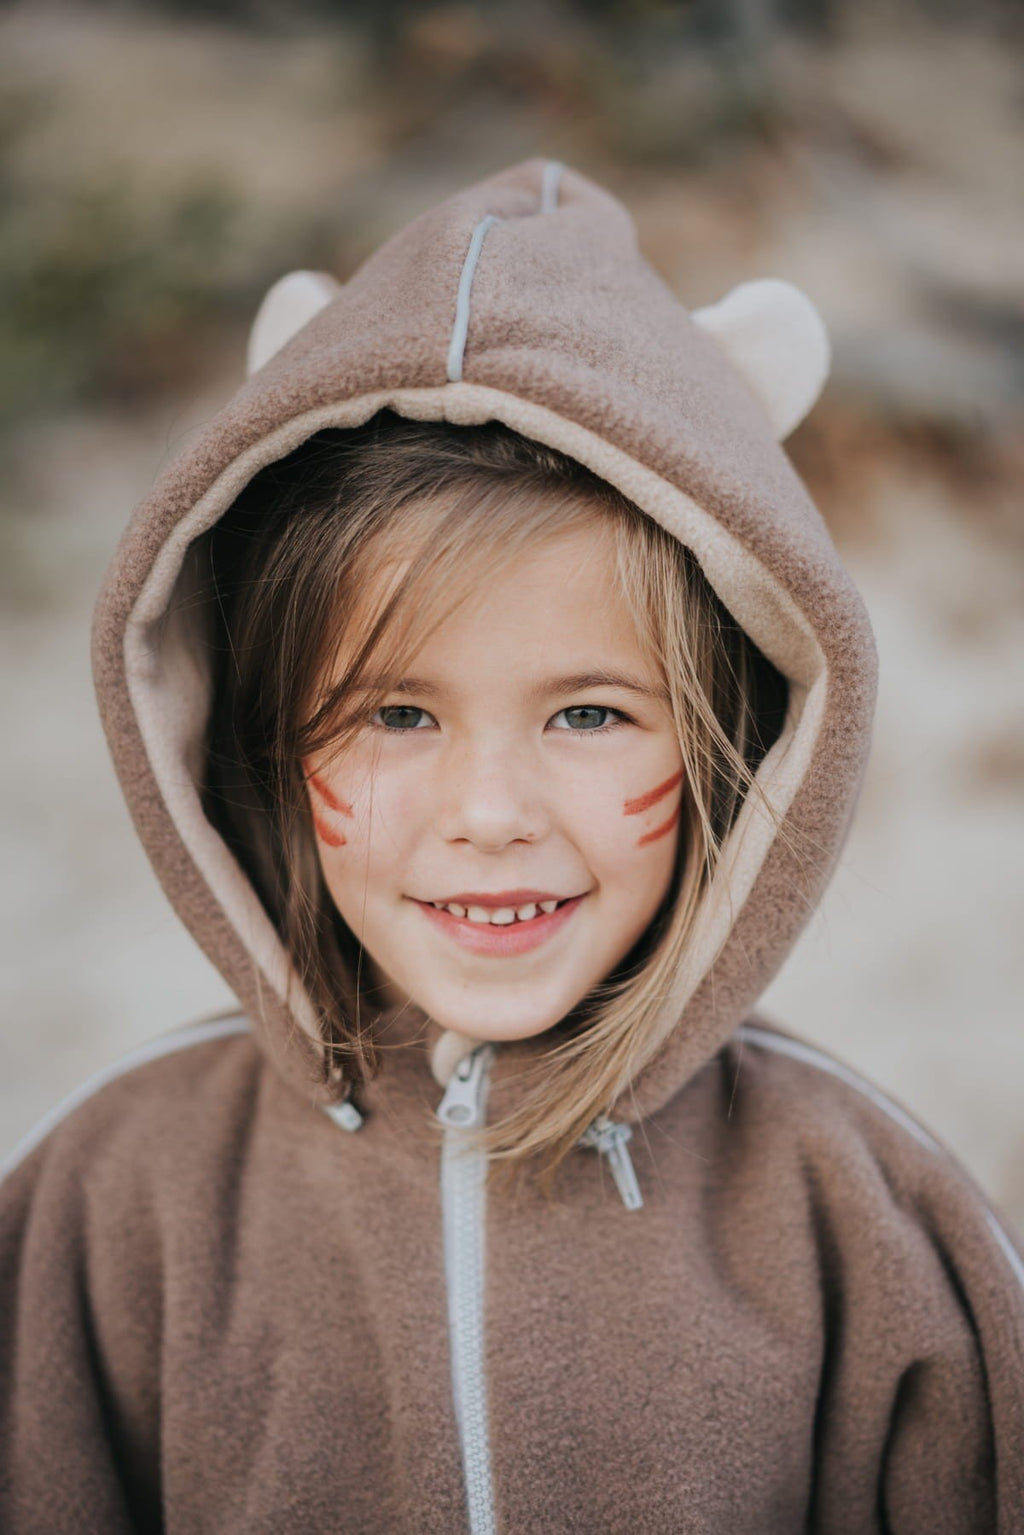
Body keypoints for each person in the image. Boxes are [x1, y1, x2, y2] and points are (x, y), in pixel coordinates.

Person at [1, 158, 1021, 1533]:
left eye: (590, 714)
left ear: (737, 743)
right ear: (264, 742)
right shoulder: (108, 1202)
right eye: (396, 714)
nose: (490, 813)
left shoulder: (868, 1218)